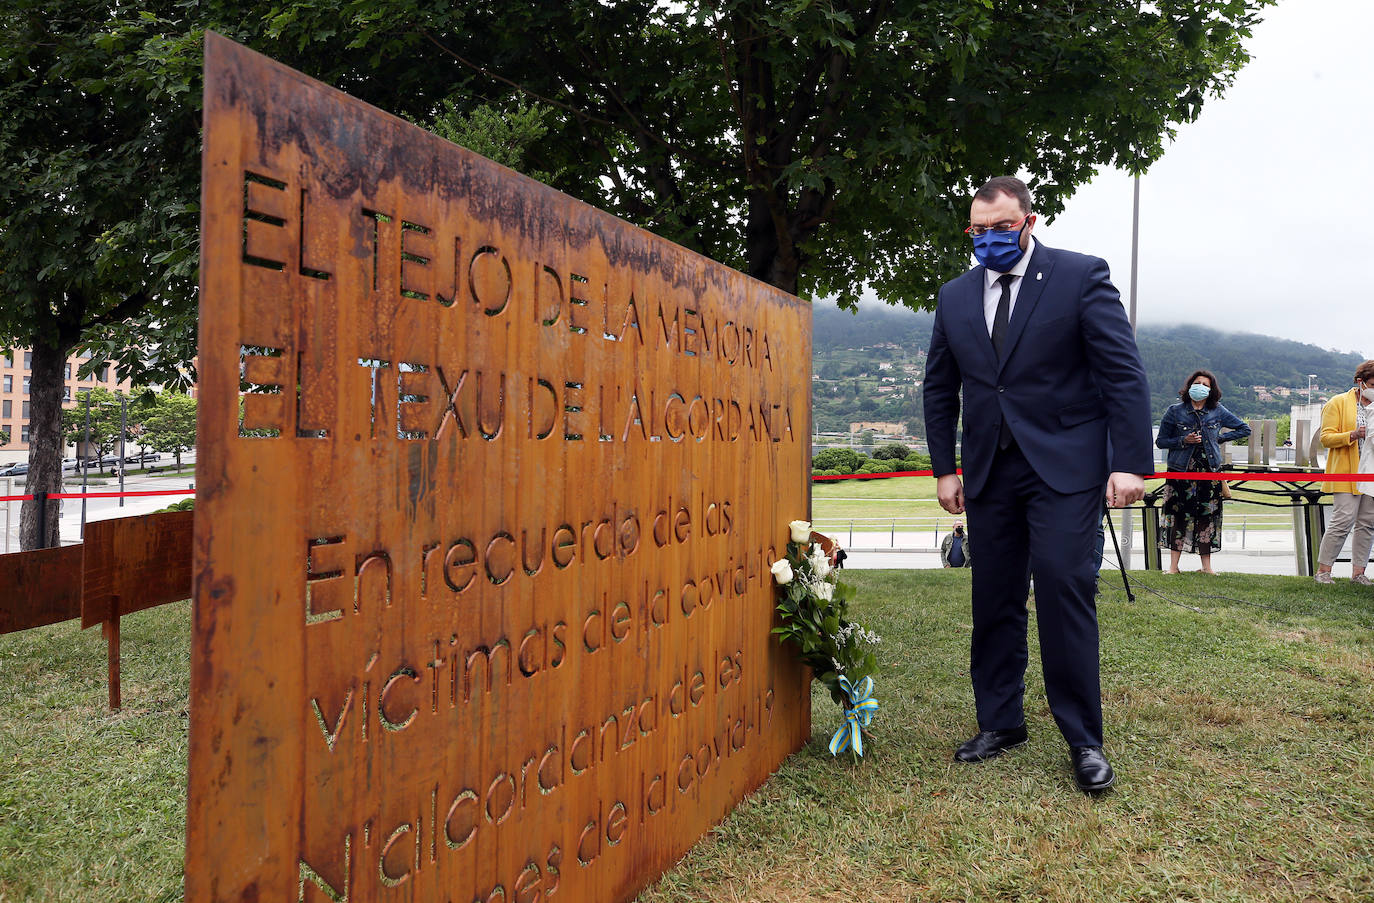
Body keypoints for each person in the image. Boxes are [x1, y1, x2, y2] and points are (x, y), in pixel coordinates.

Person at [923, 176, 1153, 794]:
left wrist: (1131, 462)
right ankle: (1001, 723)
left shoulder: (1081, 276)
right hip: (991, 472)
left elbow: (1122, 374)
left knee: (1061, 588)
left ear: (1029, 220)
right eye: (978, 231)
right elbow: (941, 387)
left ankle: (1083, 739)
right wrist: (946, 467)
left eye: (1000, 228)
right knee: (993, 598)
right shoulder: (954, 295)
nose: (988, 240)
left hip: (1065, 469)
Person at [1154, 370, 1251, 574]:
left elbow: (1244, 429)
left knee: (1207, 517)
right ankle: (1173, 567)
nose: (1200, 386)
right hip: (1181, 471)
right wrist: (1183, 441)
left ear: (1211, 390)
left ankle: (1207, 568)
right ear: (1189, 386)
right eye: (1197, 383)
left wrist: (1218, 438)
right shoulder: (1174, 411)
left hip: (1210, 470)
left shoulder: (1218, 411)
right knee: (1177, 516)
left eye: (1205, 384)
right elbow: (1161, 441)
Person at [1313, 360, 1374, 585]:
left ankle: (1359, 573)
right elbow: (1326, 438)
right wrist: (1353, 434)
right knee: (1342, 521)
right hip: (1346, 472)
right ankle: (1323, 571)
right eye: (1373, 384)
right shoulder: (1338, 402)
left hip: (1371, 474)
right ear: (1361, 382)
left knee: (1367, 523)